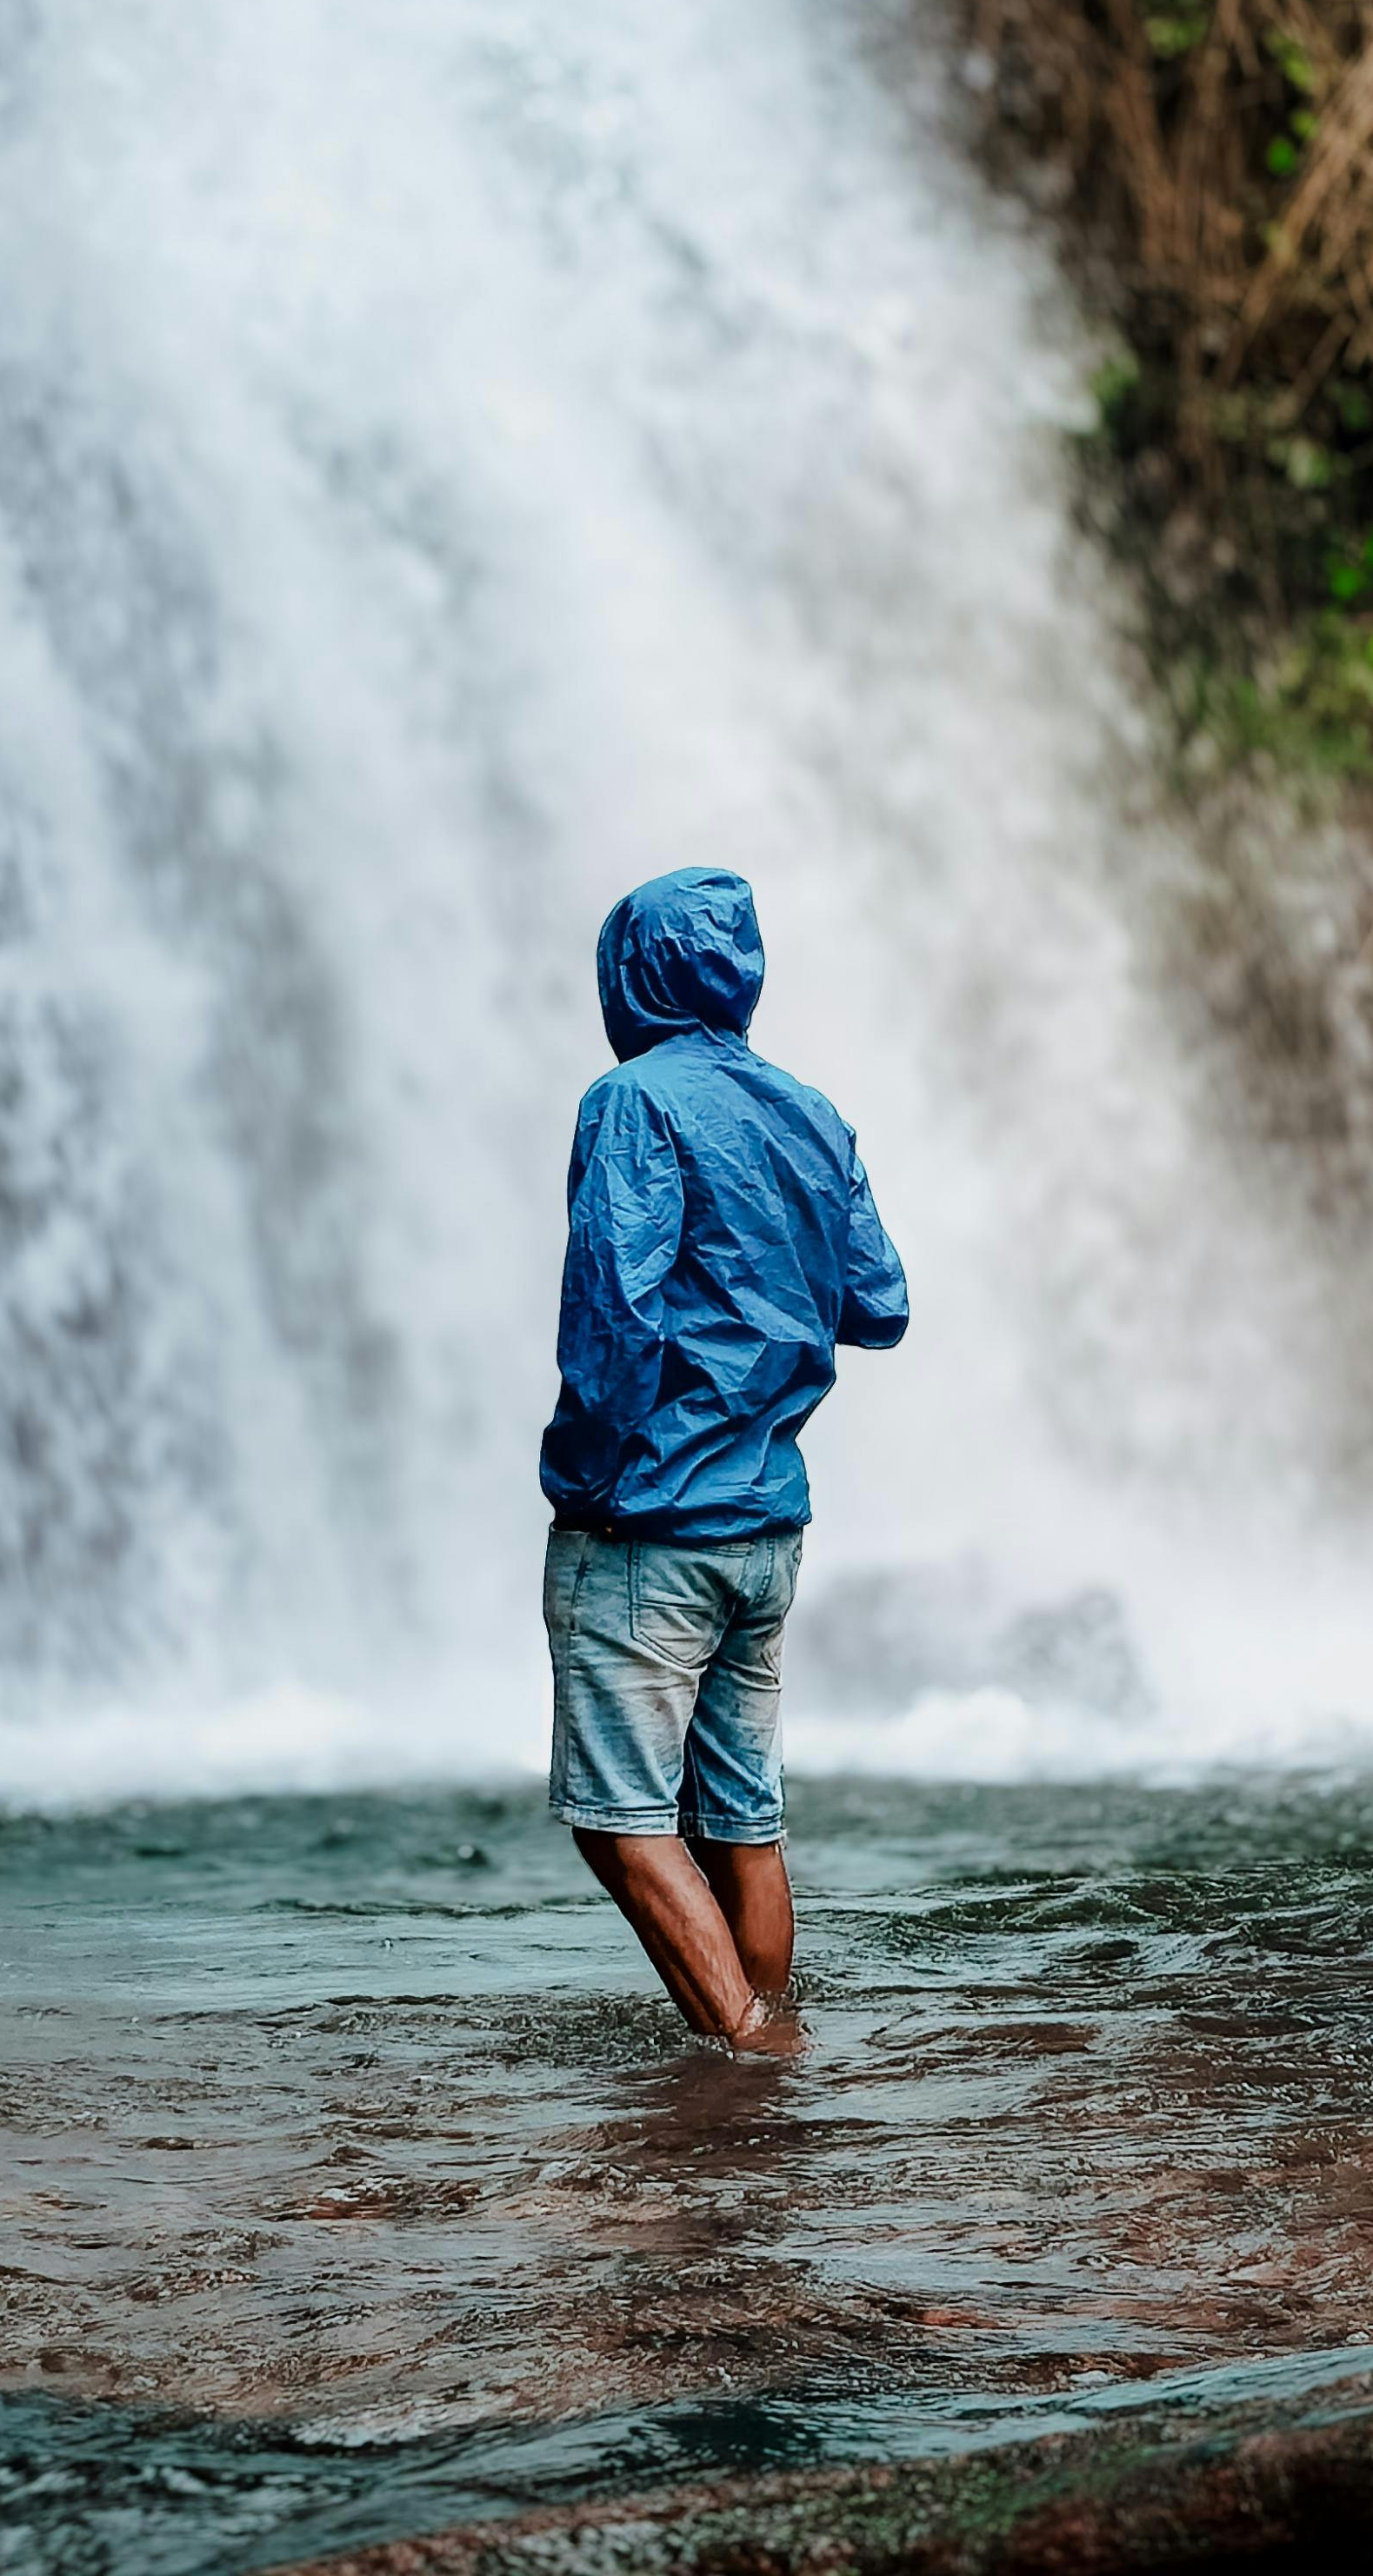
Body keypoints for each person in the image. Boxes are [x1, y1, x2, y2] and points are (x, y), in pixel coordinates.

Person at [540, 866, 909, 2052]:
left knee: (624, 1823)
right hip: (766, 1525)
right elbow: (879, 1302)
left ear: (630, 976)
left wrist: (586, 1480)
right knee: (742, 1820)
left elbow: (616, 1319)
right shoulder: (809, 1111)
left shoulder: (631, 1104)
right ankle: (759, 2074)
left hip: (652, 1521)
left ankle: (755, 2051)